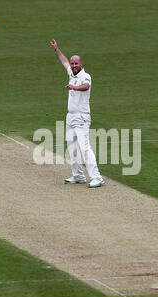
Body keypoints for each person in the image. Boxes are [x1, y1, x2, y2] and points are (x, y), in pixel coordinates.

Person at [50, 39, 104, 188]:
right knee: (72, 146)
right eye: (73, 64)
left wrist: (74, 87)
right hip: (70, 116)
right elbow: (64, 62)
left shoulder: (85, 76)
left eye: (76, 63)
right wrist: (57, 49)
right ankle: (78, 175)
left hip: (82, 116)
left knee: (84, 146)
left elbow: (86, 87)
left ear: (81, 64)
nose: (73, 65)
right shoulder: (71, 73)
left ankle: (97, 177)